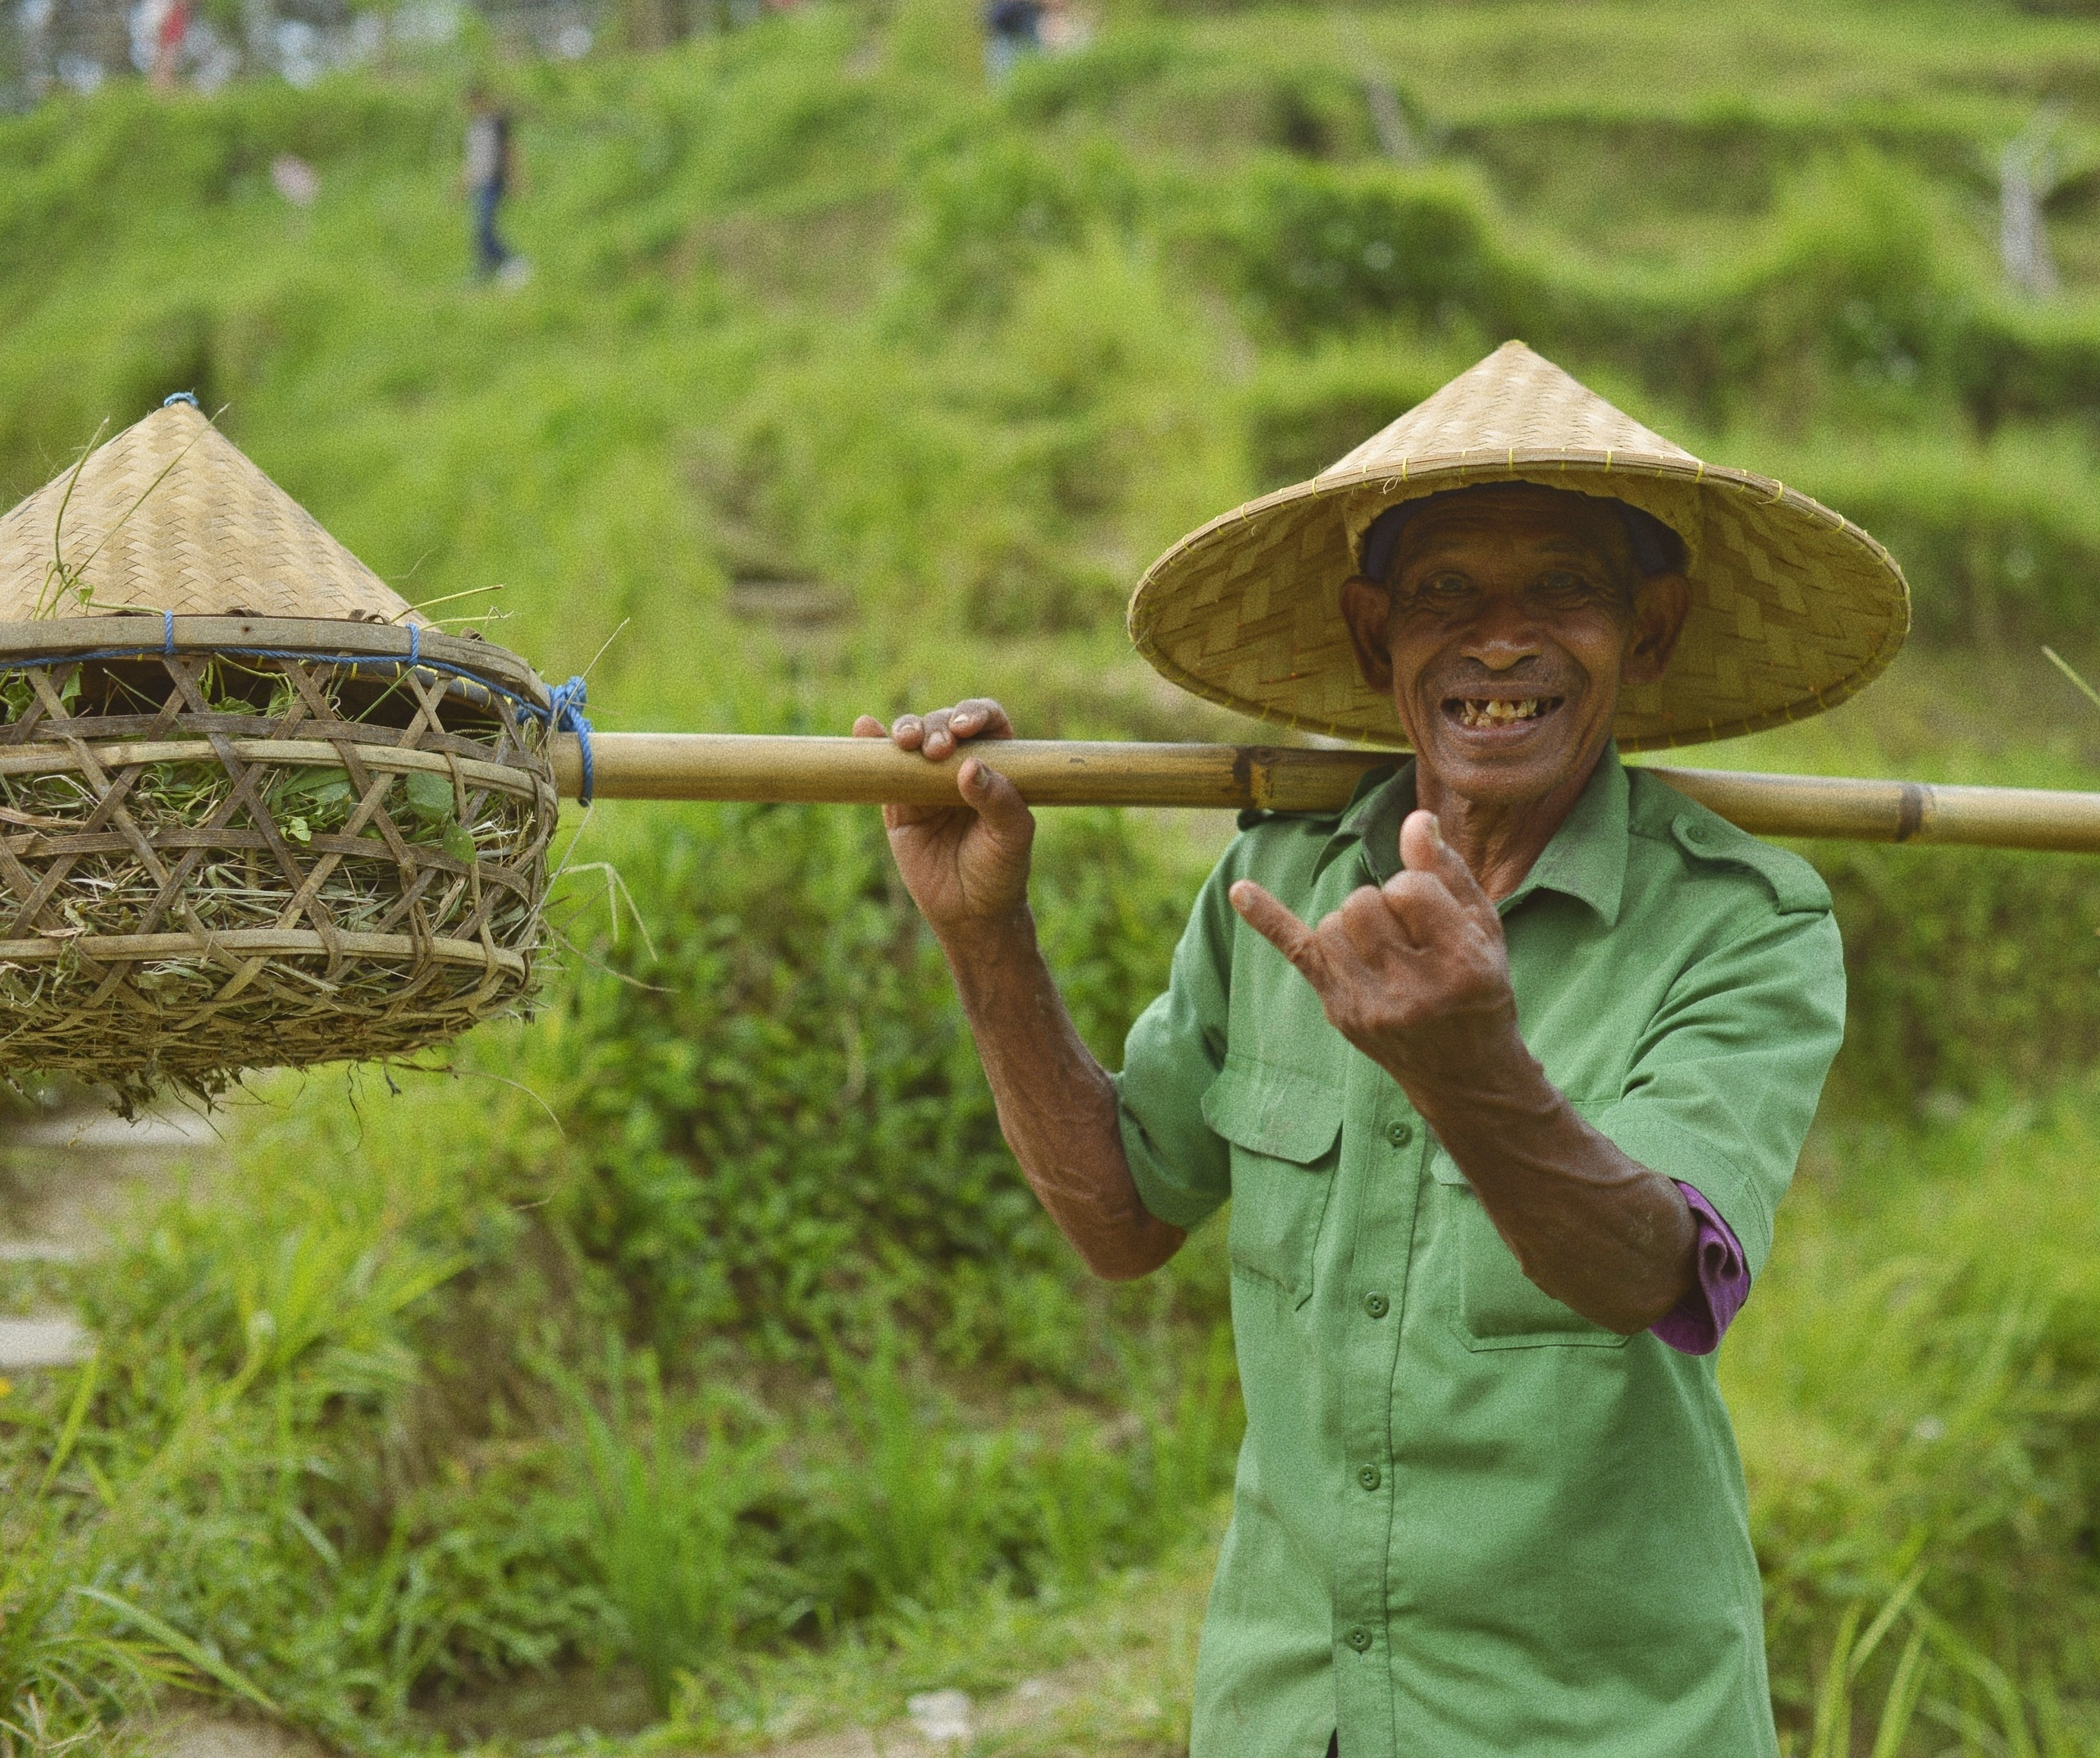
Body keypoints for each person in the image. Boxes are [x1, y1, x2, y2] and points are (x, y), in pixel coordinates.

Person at [855, 341, 1910, 1757]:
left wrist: (1473, 1069)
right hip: (1295, 1713)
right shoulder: (1280, 874)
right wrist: (985, 935)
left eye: (1564, 591)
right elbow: (1120, 1216)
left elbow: (1653, 1269)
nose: (1498, 642)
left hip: (1596, 1727)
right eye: (1444, 596)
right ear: (1374, 636)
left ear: (1647, 633)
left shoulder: (1740, 925)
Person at [462, 86, 525, 285]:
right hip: (478, 184)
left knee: (485, 227)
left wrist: (517, 179)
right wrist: (461, 186)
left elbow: (510, 152)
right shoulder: (474, 128)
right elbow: (472, 160)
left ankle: (513, 261)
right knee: (479, 230)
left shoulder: (497, 124)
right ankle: (484, 274)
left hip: (494, 182)